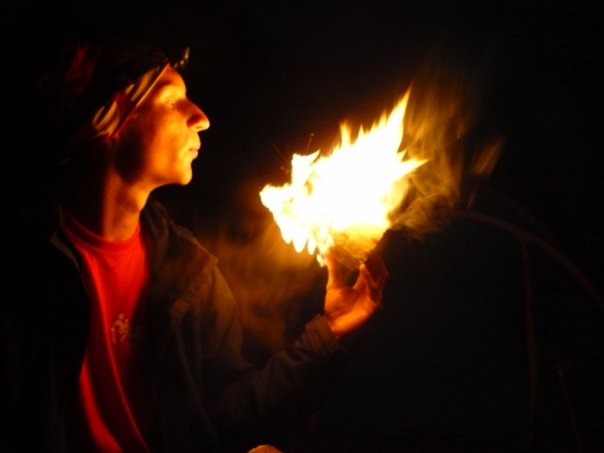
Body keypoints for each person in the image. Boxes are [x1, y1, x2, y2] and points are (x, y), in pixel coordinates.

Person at [1, 36, 388, 453]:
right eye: (172, 100)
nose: (201, 118)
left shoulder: (190, 274)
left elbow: (230, 420)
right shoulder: (20, 260)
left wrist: (328, 334)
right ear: (107, 122)